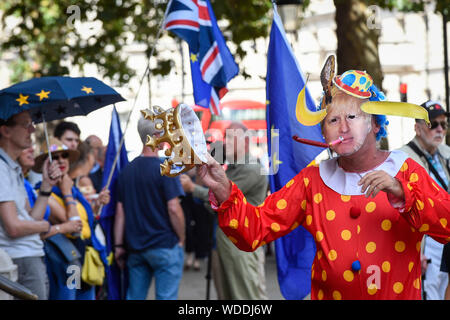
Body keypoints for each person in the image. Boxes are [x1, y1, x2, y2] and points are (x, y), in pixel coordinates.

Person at [198, 69, 450, 300]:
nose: (343, 126)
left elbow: (446, 225)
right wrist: (223, 189)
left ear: (375, 124)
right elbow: (253, 229)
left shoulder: (406, 170)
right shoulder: (313, 181)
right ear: (324, 133)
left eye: (353, 115)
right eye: (332, 120)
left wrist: (402, 192)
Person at [180, 122, 269, 300]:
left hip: (241, 247)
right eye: (225, 137)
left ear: (245, 141)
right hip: (228, 244)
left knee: (245, 297)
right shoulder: (236, 168)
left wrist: (193, 188)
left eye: (230, 137)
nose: (225, 142)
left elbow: (224, 196)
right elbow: (215, 204)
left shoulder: (252, 169)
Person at [114, 115, 185, 300]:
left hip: (135, 248)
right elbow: (173, 208)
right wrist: (182, 238)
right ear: (157, 135)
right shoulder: (165, 168)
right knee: (166, 297)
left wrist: (118, 245)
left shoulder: (126, 171)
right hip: (164, 245)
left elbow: (120, 212)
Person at [32, 137, 108, 300]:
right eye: (54, 157)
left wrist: (97, 205)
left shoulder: (73, 190)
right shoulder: (44, 194)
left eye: (64, 155)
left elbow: (85, 221)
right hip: (66, 260)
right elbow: (74, 224)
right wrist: (66, 192)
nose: (61, 160)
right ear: (46, 164)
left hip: (83, 255)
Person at [0, 110, 62, 300]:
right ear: (5, 131)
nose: (33, 129)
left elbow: (30, 217)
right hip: (21, 258)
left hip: (30, 256)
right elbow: (14, 228)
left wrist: (46, 187)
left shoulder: (12, 168)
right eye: (25, 124)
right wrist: (46, 226)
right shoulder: (1, 168)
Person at [398, 100, 450, 300]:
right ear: (417, 128)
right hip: (426, 239)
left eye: (443, 124)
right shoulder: (403, 158)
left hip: (446, 234)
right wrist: (417, 249)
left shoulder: (445, 153)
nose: (440, 130)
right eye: (433, 124)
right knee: (430, 291)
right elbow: (402, 207)